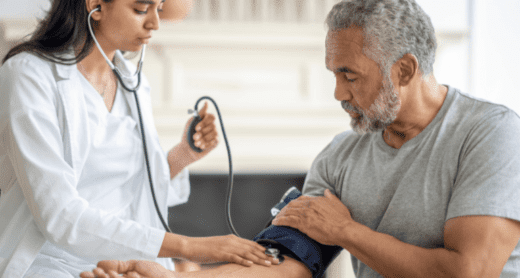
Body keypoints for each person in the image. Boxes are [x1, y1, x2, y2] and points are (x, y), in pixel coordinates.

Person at [80, 0, 520, 277]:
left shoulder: (490, 134)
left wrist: (346, 231)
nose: (338, 93)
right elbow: (287, 263)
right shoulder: (339, 156)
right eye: (333, 75)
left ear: (403, 70)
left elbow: (471, 272)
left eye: (350, 76)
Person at [0, 0, 280, 277]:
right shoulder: (29, 75)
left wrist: (184, 154)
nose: (155, 23)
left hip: (123, 263)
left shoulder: (131, 81)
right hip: (49, 263)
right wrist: (189, 247)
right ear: (95, 4)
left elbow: (134, 189)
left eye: (158, 9)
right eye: (141, 9)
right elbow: (59, 215)